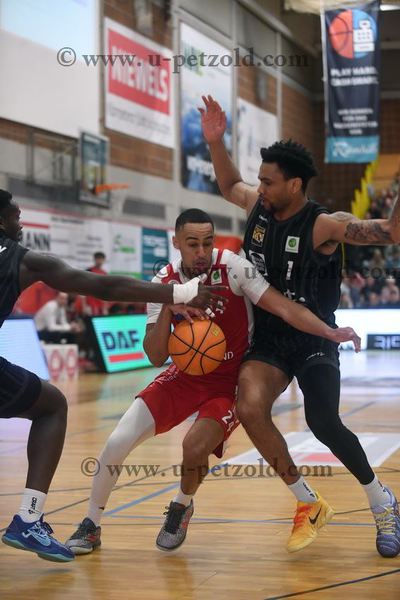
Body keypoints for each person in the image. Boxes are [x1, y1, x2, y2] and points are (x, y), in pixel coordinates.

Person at [65, 209, 359, 555]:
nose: (202, 251)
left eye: (208, 242)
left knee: (193, 447)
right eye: (193, 244)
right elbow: (156, 356)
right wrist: (170, 304)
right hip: (184, 376)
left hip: (229, 382)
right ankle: (91, 524)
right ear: (176, 243)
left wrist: (329, 331)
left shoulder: (233, 266)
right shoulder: (163, 281)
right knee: (117, 441)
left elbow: (282, 306)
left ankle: (181, 504)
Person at [199, 94, 400, 558]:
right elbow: (229, 184)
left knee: (322, 421)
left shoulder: (325, 225)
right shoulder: (257, 207)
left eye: (268, 182)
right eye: (260, 180)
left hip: (314, 334)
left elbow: (390, 232)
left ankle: (382, 502)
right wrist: (215, 141)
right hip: (269, 336)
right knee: (250, 408)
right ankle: (308, 502)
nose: (260, 188)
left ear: (294, 184)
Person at [0, 190, 225, 563]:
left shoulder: (232, 267)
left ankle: (49, 520)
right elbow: (107, 289)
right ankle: (33, 518)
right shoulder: (23, 259)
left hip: (220, 380)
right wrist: (182, 293)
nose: (19, 225)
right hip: (182, 362)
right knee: (55, 408)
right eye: (14, 217)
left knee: (54, 404)